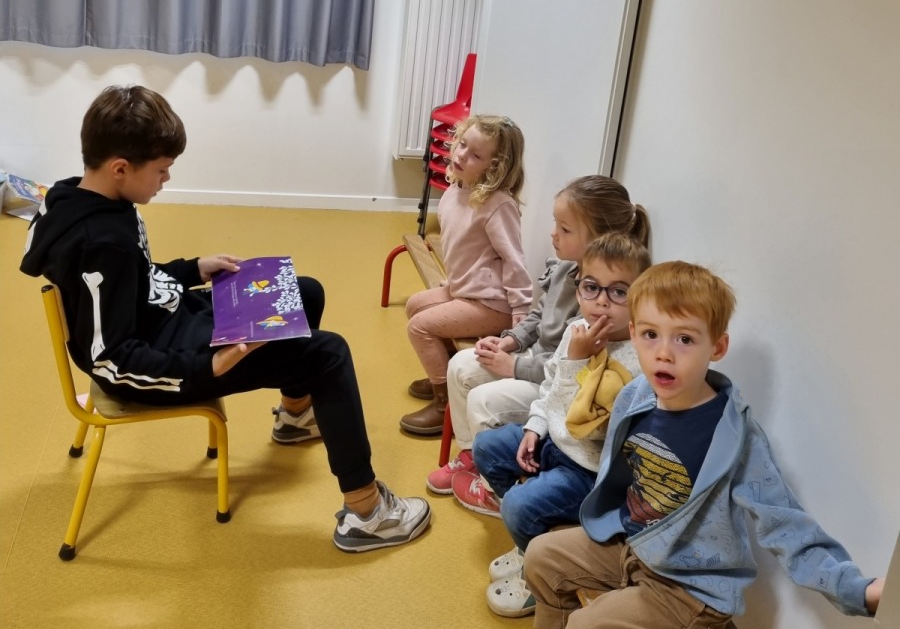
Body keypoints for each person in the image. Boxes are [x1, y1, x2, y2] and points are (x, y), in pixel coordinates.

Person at [20, 85, 431, 553]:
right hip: (162, 365)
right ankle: (368, 513)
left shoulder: (80, 195)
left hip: (168, 322)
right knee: (329, 353)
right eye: (161, 169)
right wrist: (207, 368)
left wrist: (192, 269)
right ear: (120, 168)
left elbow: (135, 281)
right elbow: (110, 358)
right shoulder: (100, 242)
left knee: (303, 291)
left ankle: (296, 416)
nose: (167, 178)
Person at [512, 261, 885, 629]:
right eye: (650, 335)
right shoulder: (636, 396)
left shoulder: (735, 436)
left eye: (685, 339)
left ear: (718, 347)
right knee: (542, 555)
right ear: (634, 334)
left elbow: (786, 524)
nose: (663, 353)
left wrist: (858, 590)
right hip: (634, 547)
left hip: (690, 591)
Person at [429, 177, 651, 509]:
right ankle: (471, 454)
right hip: (536, 359)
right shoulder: (566, 268)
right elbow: (538, 312)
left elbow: (568, 367)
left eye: (565, 229)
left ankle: (491, 490)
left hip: (552, 379)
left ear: (599, 239)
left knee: (482, 401)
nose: (553, 234)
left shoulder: (599, 299)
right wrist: (511, 340)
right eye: (555, 224)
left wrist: (514, 366)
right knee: (460, 364)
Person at [470, 234, 650, 618]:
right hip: (554, 441)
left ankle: (537, 575)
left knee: (518, 505)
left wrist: (576, 362)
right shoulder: (577, 329)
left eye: (619, 292)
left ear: (640, 298)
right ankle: (527, 540)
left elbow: (589, 427)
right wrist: (534, 427)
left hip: (589, 469)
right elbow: (551, 387)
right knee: (487, 447)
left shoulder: (638, 362)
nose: (601, 301)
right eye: (591, 287)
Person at [399, 114, 532, 436]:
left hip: (491, 303)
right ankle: (443, 372)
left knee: (420, 327)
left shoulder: (497, 205)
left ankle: (444, 402)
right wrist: (454, 280)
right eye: (462, 144)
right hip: (465, 288)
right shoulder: (457, 188)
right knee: (414, 305)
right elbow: (465, 247)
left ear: (495, 167)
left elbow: (513, 260)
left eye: (475, 155)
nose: (460, 155)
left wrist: (521, 310)